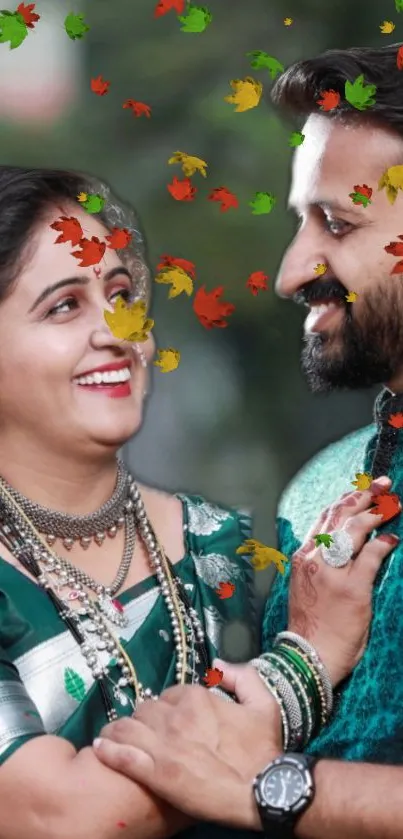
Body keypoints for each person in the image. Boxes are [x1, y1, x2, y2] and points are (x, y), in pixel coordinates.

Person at [0, 164, 392, 839]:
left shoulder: (241, 550)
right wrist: (298, 669)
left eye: (121, 293)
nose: (116, 331)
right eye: (64, 305)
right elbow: (61, 814)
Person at [92, 41, 403, 839]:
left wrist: (275, 791)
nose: (291, 270)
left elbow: (248, 779)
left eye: (335, 223)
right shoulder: (319, 490)